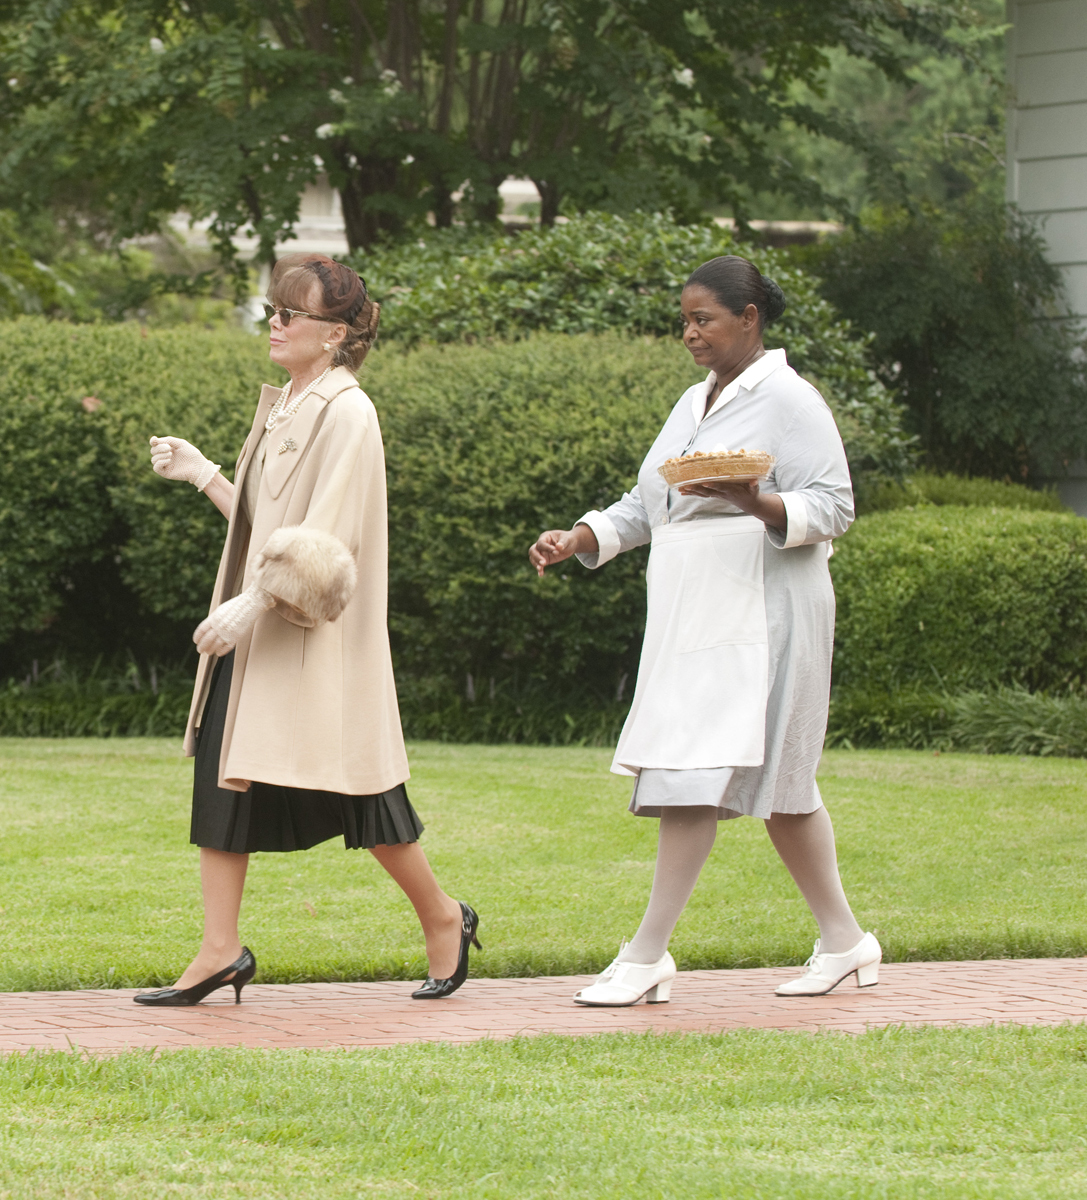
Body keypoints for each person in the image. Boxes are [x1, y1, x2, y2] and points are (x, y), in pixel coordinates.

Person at [528, 255, 880, 1007]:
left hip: (767, 608)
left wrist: (755, 504)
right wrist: (580, 538)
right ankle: (846, 941)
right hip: (693, 608)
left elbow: (835, 507)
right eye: (684, 319)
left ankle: (644, 953)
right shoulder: (693, 402)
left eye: (702, 319)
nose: (688, 332)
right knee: (783, 788)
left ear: (747, 319)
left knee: (698, 777)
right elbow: (645, 503)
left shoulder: (790, 400)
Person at [139, 254, 479, 1006]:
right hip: (262, 630)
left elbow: (327, 545)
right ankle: (219, 950)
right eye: (274, 310)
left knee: (363, 793)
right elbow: (270, 529)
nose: (275, 323)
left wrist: (249, 605)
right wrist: (203, 474)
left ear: (332, 335)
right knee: (222, 782)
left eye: (289, 314)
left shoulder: (347, 410)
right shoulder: (290, 401)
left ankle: (443, 916)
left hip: (311, 639)